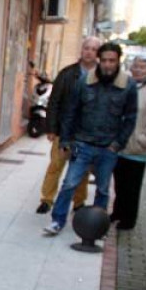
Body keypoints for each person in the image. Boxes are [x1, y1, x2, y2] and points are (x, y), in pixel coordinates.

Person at [44, 42, 138, 235]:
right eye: (104, 60)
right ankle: (57, 221)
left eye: (112, 60)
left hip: (108, 148)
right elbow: (71, 112)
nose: (107, 65)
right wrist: (66, 140)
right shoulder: (84, 81)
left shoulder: (128, 85)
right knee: (69, 184)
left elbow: (130, 118)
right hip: (82, 144)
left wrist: (117, 144)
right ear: (99, 60)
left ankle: (97, 228)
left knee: (103, 190)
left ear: (118, 61)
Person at [35, 37, 100, 214]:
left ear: (98, 53)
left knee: (82, 170)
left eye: (94, 49)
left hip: (87, 133)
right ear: (81, 50)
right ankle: (46, 200)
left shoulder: (101, 76)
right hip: (64, 129)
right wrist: (51, 128)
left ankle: (78, 202)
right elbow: (54, 101)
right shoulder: (67, 73)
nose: (89, 52)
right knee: (55, 165)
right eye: (86, 48)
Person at [111, 56, 146, 230]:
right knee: (119, 184)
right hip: (121, 146)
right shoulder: (126, 85)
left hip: (139, 149)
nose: (138, 69)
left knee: (132, 187)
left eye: (142, 67)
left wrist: (143, 141)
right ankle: (117, 213)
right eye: (135, 66)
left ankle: (128, 220)